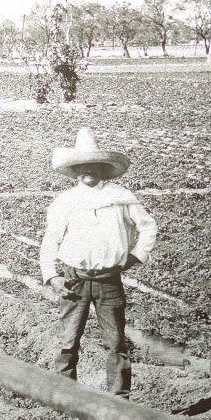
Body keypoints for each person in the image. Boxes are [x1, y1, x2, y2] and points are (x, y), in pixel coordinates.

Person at [39, 127, 157, 398]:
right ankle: (66, 399)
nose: (87, 171)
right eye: (81, 166)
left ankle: (119, 401)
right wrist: (51, 276)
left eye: (93, 165)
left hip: (109, 281)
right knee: (68, 341)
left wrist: (135, 256)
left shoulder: (122, 198)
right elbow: (50, 241)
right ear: (74, 170)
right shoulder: (65, 201)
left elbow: (148, 227)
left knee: (115, 343)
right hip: (74, 279)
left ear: (103, 168)